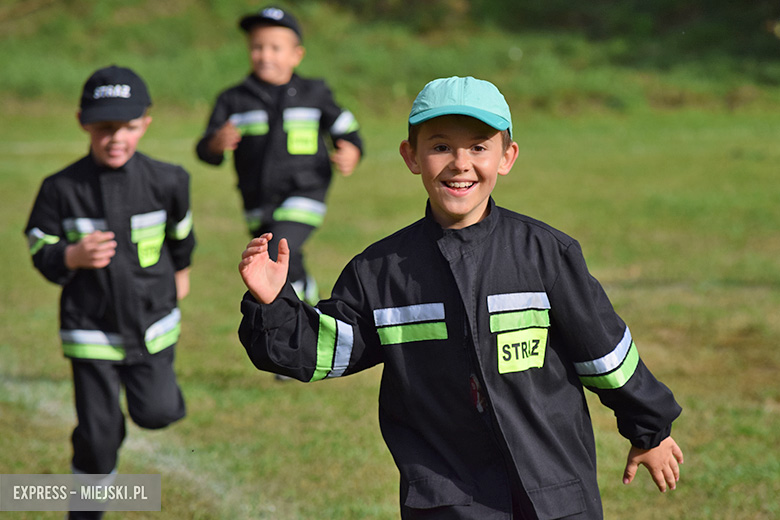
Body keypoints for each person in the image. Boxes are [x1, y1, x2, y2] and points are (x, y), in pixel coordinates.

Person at [237, 76, 683, 519]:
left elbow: (604, 353)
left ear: (507, 157)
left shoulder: (545, 254)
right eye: (440, 147)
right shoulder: (380, 271)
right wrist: (273, 304)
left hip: (555, 492)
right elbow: (326, 349)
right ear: (411, 157)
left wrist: (650, 431)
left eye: (478, 147)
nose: (459, 163)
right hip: (448, 500)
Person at [24, 65, 196, 519]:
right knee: (98, 438)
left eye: (127, 127)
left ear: (146, 123)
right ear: (82, 122)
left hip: (152, 322)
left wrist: (183, 270)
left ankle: (118, 421)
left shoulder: (169, 180)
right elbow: (38, 243)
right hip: (91, 328)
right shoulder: (60, 189)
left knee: (158, 412)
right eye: (104, 128)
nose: (115, 138)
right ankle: (86, 502)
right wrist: (70, 257)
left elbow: (182, 234)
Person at [196, 5, 363, 304]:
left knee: (276, 250)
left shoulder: (315, 93)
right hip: (256, 199)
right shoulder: (233, 99)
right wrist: (215, 143)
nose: (265, 55)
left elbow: (346, 128)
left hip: (306, 190)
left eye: (275, 48)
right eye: (257, 47)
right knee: (287, 256)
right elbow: (205, 149)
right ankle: (307, 296)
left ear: (296, 55)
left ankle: (292, 314)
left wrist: (351, 149)